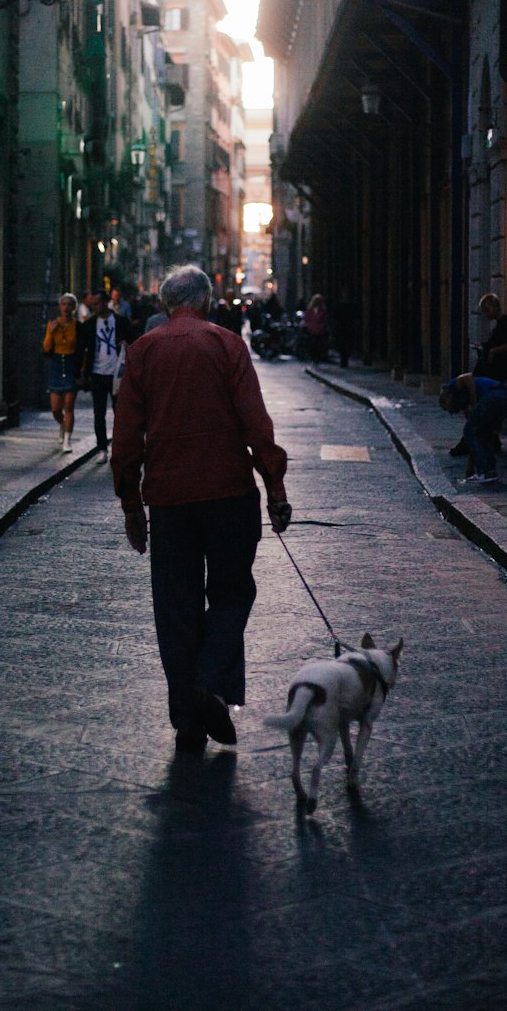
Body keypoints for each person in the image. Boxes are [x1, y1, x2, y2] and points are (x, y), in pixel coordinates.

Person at [110, 264, 292, 753]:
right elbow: (256, 424)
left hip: (169, 501)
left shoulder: (143, 352)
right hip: (230, 493)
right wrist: (275, 488)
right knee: (232, 593)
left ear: (167, 304)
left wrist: (132, 505)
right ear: (207, 303)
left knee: (176, 607)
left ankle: (189, 715)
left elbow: (125, 440)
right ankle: (208, 683)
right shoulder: (228, 345)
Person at [78, 289, 132, 456]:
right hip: (97, 373)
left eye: (99, 303)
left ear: (106, 302)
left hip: (117, 374)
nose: (96, 306)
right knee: (98, 412)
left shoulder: (121, 322)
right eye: (93, 303)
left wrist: (126, 344)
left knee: (120, 413)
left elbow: (135, 343)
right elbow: (81, 349)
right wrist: (80, 374)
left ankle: (119, 446)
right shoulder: (88, 325)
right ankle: (102, 447)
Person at [440, 371, 507, 485]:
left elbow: (467, 376)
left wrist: (474, 401)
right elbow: (473, 440)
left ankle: (485, 470)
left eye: (447, 408)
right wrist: (469, 470)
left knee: (471, 431)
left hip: (494, 396)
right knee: (483, 433)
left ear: (448, 397)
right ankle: (489, 472)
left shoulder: (453, 386)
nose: (452, 412)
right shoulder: (466, 407)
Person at [42, 292, 79, 453]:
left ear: (74, 308)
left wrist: (82, 370)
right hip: (57, 365)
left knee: (69, 405)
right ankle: (63, 425)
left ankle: (67, 440)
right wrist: (51, 331)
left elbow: (81, 348)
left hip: (71, 365)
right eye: (64, 304)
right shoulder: (53, 324)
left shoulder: (77, 326)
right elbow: (46, 348)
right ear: (59, 307)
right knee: (56, 408)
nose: (66, 308)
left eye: (70, 304)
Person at [474, 292, 507, 382]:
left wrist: (493, 351)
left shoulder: (504, 321)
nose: (486, 314)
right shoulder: (500, 322)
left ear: (496, 307)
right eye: (484, 311)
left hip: (499, 366)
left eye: (488, 310)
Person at [303, 293, 329, 363]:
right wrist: (309, 326)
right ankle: (314, 358)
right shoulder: (310, 310)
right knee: (312, 345)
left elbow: (324, 319)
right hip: (311, 330)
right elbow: (306, 319)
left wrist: (322, 326)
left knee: (318, 345)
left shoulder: (323, 310)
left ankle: (317, 358)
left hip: (319, 330)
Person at [333, 290, 355, 369]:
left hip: (348, 327)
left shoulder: (350, 306)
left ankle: (345, 359)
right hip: (341, 328)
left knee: (347, 344)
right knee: (342, 345)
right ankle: (343, 360)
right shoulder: (339, 306)